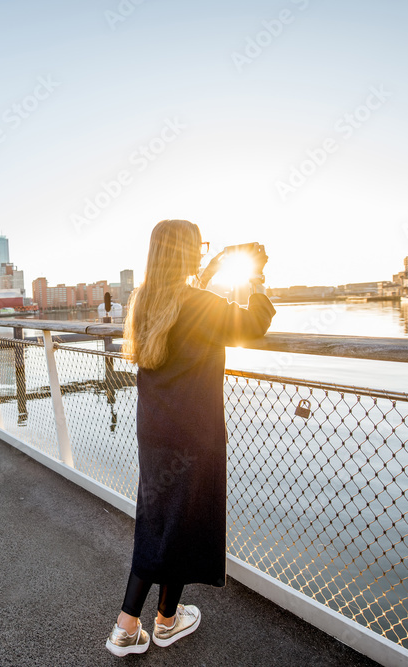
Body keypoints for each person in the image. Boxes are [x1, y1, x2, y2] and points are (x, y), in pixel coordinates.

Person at [105, 219, 276, 656]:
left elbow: (187, 307)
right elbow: (253, 324)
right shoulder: (197, 301)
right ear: (186, 252)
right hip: (194, 433)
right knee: (182, 521)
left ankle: (144, 624)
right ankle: (157, 622)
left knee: (159, 519)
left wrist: (216, 268)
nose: (203, 250)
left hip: (155, 432)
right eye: (199, 245)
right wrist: (255, 275)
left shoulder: (145, 300)